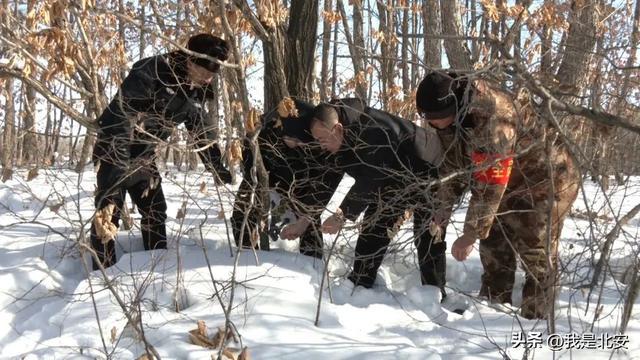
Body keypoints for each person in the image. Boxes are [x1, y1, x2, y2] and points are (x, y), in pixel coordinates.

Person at [416, 71, 580, 319]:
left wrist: (470, 232)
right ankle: (493, 311)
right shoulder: (449, 114)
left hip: (548, 179)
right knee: (493, 244)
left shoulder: (494, 113)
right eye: (428, 119)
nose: (433, 125)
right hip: (508, 180)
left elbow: (490, 181)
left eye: (436, 119)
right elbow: (452, 166)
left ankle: (536, 321)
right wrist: (443, 209)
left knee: (535, 251)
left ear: (452, 107)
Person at [90, 33, 232, 270]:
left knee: (155, 210)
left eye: (214, 74)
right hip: (114, 149)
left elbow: (201, 132)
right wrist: (119, 162)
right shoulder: (153, 69)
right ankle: (102, 274)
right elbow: (122, 114)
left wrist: (216, 166)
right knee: (108, 212)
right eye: (206, 71)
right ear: (190, 59)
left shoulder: (194, 91)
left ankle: (155, 267)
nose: (209, 79)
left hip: (144, 155)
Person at [290, 98, 446, 296]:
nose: (321, 146)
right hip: (392, 179)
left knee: (428, 234)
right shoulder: (339, 139)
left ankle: (435, 294)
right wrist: (304, 221)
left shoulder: (372, 131)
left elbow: (370, 179)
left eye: (322, 140)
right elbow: (327, 182)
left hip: (428, 171)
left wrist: (341, 214)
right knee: (373, 229)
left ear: (337, 129)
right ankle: (360, 284)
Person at [232, 97, 342, 258]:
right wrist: (260, 183)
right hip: (264, 172)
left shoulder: (314, 138)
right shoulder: (267, 127)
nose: (296, 143)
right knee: (242, 208)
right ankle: (246, 253)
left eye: (300, 141)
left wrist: (303, 213)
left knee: (309, 216)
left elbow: (321, 179)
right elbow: (248, 155)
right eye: (291, 139)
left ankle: (313, 262)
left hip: (298, 179)